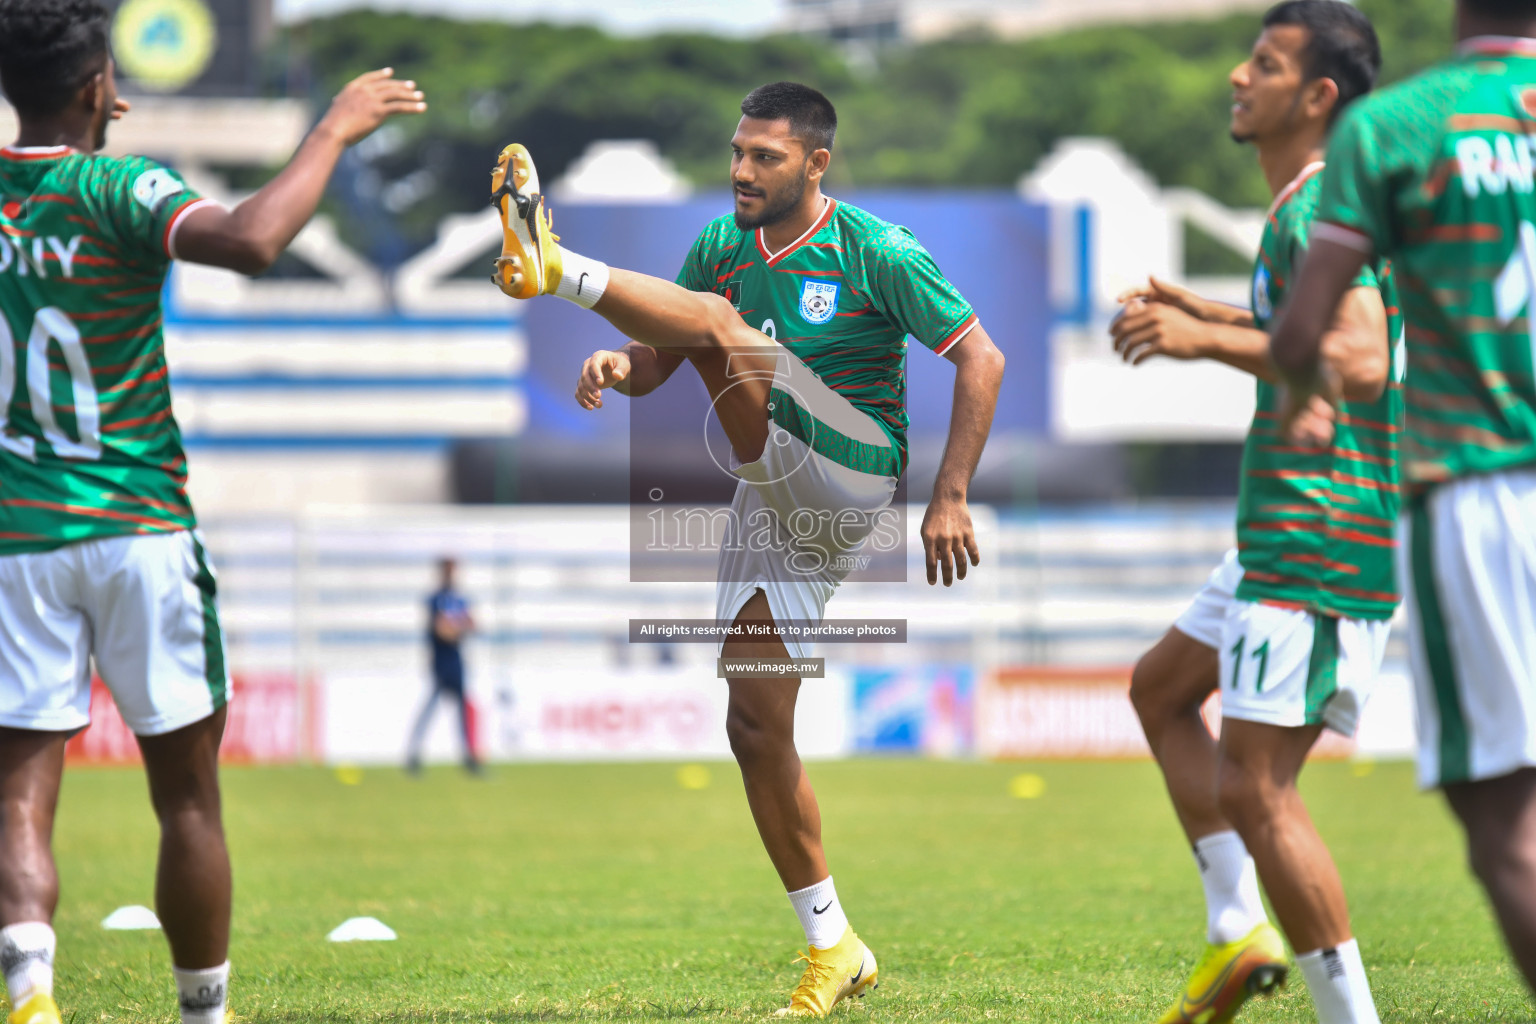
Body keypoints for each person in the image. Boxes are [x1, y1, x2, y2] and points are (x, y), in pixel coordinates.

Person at [491, 82, 1005, 1016]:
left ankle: (556, 267)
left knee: (726, 332)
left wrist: (952, 496)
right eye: (736, 152)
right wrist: (620, 364)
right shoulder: (721, 248)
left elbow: (983, 358)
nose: (740, 170)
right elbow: (666, 360)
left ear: (815, 163)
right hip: (771, 486)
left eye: (764, 156)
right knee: (755, 724)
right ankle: (834, 945)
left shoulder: (876, 250)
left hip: (852, 466)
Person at [0, 1, 425, 1021]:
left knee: (18, 789)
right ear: (104, 83)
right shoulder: (118, 185)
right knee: (186, 795)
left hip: (18, 536)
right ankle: (203, 1013)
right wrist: (330, 128)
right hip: (139, 525)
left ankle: (29, 988)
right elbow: (253, 239)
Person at [1110, 4, 1398, 1021]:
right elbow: (1315, 329)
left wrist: (1203, 344)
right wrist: (1217, 315)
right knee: (1159, 689)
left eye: (1265, 63)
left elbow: (1361, 360)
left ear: (1317, 97)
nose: (1238, 75)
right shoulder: (1318, 209)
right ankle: (1238, 930)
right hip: (1284, 523)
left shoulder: (1317, 210)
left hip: (1320, 528)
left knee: (1259, 788)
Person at [1270, 0, 1536, 998]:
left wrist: (1301, 396)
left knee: (1505, 817)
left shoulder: (1401, 122)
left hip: (1481, 482)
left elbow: (1308, 332)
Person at [406, 558, 481, 774]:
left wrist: (454, 626)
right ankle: (414, 755)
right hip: (440, 662)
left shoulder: (459, 599)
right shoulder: (435, 599)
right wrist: (459, 626)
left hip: (457, 661)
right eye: (448, 571)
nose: (451, 575)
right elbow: (442, 631)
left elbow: (472, 624)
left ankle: (469, 758)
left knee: (461, 711)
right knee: (431, 708)